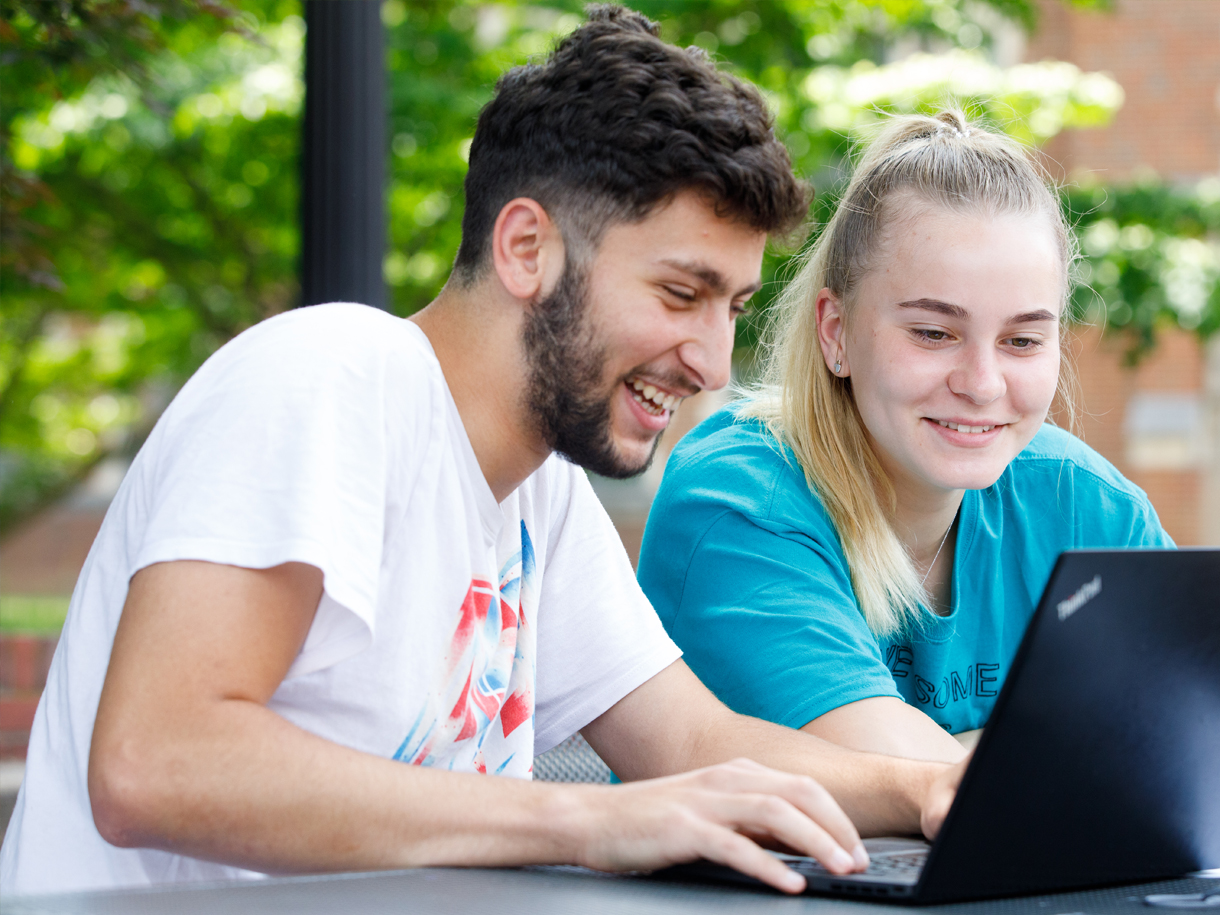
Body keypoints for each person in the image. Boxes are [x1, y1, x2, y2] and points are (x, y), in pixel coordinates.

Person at [0, 9, 966, 899]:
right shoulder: (329, 376)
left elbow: (689, 740)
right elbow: (156, 759)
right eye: (680, 294)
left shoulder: (537, 489)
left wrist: (932, 787)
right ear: (525, 248)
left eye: (733, 309)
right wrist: (585, 818)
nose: (713, 361)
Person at [637, 110, 1173, 766]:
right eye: (933, 332)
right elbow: (911, 778)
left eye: (1022, 340)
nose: (982, 383)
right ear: (837, 332)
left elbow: (1187, 734)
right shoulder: (736, 499)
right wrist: (1065, 748)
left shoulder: (1084, 505)